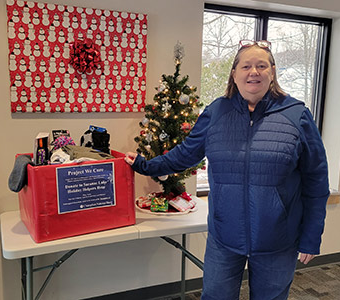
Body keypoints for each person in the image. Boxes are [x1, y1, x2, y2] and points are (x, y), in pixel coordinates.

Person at [125, 40, 329, 300]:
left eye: (261, 66)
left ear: (272, 72)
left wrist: (312, 236)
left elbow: (316, 181)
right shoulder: (216, 113)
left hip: (278, 240)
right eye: (246, 66)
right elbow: (186, 153)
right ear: (234, 73)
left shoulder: (297, 115)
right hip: (224, 238)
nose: (253, 72)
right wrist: (145, 164)